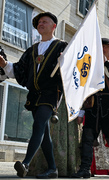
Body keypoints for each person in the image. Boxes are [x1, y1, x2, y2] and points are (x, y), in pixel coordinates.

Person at [0, 12, 67, 178]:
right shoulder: (32, 50)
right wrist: (4, 64)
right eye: (38, 23)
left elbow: (73, 69)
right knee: (43, 133)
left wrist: (65, 61)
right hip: (35, 95)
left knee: (38, 125)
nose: (40, 24)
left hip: (51, 93)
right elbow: (19, 69)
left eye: (44, 21)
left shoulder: (62, 46)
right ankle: (52, 169)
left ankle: (25, 164)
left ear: (54, 26)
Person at [72, 38, 109, 179]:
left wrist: (103, 62)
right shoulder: (89, 64)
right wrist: (81, 110)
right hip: (92, 104)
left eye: (103, 46)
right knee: (87, 137)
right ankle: (84, 168)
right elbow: (83, 85)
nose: (101, 48)